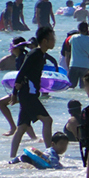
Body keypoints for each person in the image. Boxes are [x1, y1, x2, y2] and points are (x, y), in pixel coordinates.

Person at [9, 27, 57, 159]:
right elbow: (22, 72)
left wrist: (56, 66)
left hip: (29, 94)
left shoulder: (41, 54)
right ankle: (50, 154)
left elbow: (49, 59)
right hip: (28, 94)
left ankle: (12, 158)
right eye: (52, 39)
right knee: (47, 121)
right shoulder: (34, 54)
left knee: (22, 128)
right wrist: (14, 93)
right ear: (45, 41)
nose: (55, 41)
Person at [66, 21, 89, 90]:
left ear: (78, 29)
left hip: (74, 64)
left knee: (70, 86)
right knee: (83, 88)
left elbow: (69, 46)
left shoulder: (73, 38)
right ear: (87, 30)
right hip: (85, 66)